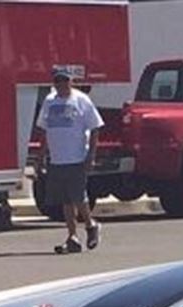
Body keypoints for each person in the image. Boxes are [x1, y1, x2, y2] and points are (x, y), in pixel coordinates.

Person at [36, 67, 103, 254]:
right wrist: (40, 157)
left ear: (71, 82)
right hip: (57, 159)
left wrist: (91, 155)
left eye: (65, 81)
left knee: (78, 196)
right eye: (58, 81)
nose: (61, 85)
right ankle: (72, 237)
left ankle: (91, 225)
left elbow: (95, 127)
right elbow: (43, 130)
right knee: (65, 199)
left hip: (77, 156)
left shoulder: (81, 100)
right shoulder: (49, 102)